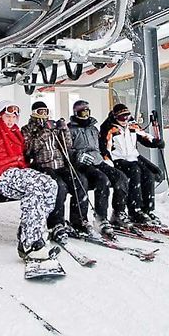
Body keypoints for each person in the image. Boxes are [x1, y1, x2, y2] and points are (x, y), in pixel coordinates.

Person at [0, 100, 58, 260]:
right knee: (34, 189)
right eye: (8, 116)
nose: (11, 120)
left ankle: (31, 228)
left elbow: (22, 155)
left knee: (50, 185)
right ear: (0, 115)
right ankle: (29, 244)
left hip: (19, 172)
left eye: (14, 117)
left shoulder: (16, 133)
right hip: (1, 174)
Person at [21, 101, 87, 242]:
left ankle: (79, 220)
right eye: (40, 111)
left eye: (46, 111)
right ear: (34, 113)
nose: (44, 114)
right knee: (59, 187)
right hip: (43, 165)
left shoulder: (53, 126)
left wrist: (63, 130)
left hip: (60, 164)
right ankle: (56, 224)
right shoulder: (28, 129)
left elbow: (67, 144)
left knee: (80, 181)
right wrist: (44, 133)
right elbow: (29, 149)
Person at [68, 100, 130, 235]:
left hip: (98, 161)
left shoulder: (93, 129)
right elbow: (67, 150)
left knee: (121, 177)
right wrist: (78, 155)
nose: (85, 115)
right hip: (83, 164)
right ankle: (100, 218)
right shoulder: (70, 130)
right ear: (76, 113)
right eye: (82, 112)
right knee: (102, 180)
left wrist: (107, 155)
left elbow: (100, 146)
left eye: (87, 112)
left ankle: (118, 213)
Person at [99, 103, 165, 224]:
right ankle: (135, 209)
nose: (124, 120)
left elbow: (144, 136)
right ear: (115, 117)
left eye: (126, 117)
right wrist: (108, 164)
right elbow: (105, 149)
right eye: (121, 118)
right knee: (135, 171)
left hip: (133, 157)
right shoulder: (109, 128)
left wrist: (156, 142)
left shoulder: (131, 126)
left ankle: (147, 209)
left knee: (148, 174)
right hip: (118, 159)